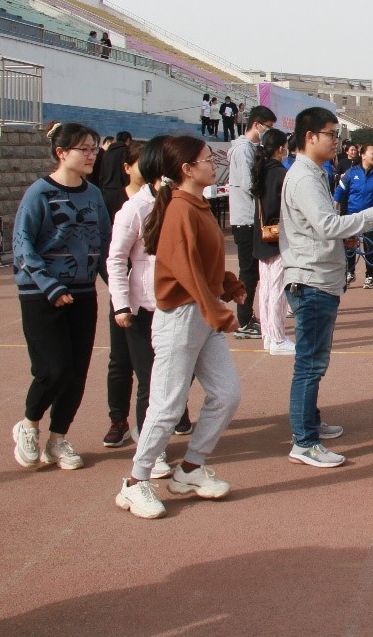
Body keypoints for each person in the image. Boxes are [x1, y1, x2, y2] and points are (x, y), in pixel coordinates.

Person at [115, 136, 246, 519]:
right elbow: (185, 270)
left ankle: (189, 469)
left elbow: (202, 262)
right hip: (181, 317)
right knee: (167, 405)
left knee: (226, 394)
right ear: (187, 169)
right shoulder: (179, 209)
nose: (213, 163)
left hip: (202, 313)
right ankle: (135, 482)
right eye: (206, 159)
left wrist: (227, 284)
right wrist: (216, 310)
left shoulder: (198, 204)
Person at [280, 108, 373, 468]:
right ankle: (304, 441)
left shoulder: (315, 173)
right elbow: (328, 224)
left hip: (318, 275)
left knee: (313, 360)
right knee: (310, 363)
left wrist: (343, 238)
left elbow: (320, 227)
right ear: (310, 136)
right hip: (311, 279)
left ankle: (309, 424)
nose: (337, 142)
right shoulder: (304, 177)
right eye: (331, 134)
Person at [11, 123, 111, 472]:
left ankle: (58, 439)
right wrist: (50, 286)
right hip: (42, 294)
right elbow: (22, 245)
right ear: (61, 152)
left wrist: (119, 287)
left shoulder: (93, 194)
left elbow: (104, 244)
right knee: (53, 370)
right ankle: (29, 424)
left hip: (82, 293)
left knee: (77, 372)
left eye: (94, 149)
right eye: (84, 149)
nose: (91, 155)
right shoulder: (39, 193)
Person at [106, 135, 176, 479]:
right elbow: (116, 258)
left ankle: (157, 431)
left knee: (176, 377)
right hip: (143, 308)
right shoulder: (135, 208)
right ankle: (151, 450)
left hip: (177, 305)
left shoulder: (182, 202)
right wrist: (121, 305)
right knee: (150, 380)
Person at [101, 138, 141, 450]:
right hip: (124, 293)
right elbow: (109, 253)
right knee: (120, 360)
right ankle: (118, 420)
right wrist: (118, 291)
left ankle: (174, 412)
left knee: (164, 359)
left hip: (155, 293)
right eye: (143, 163)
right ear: (127, 167)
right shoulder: (110, 200)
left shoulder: (163, 199)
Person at [226, 105, 278, 340]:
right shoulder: (243, 150)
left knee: (252, 271)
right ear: (257, 125)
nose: (269, 132)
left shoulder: (250, 149)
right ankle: (244, 321)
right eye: (268, 127)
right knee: (248, 271)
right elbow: (250, 185)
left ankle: (247, 316)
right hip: (245, 219)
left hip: (250, 218)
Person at [252, 128, 293, 355]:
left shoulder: (260, 171)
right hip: (278, 237)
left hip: (262, 235)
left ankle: (268, 336)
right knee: (277, 289)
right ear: (280, 148)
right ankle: (277, 338)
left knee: (266, 289)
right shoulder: (280, 174)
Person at [334, 144, 373, 288]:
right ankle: (350, 272)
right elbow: (340, 191)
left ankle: (369, 275)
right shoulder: (351, 172)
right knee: (350, 246)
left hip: (371, 217)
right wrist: (334, 206)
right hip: (353, 216)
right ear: (363, 155)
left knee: (370, 246)